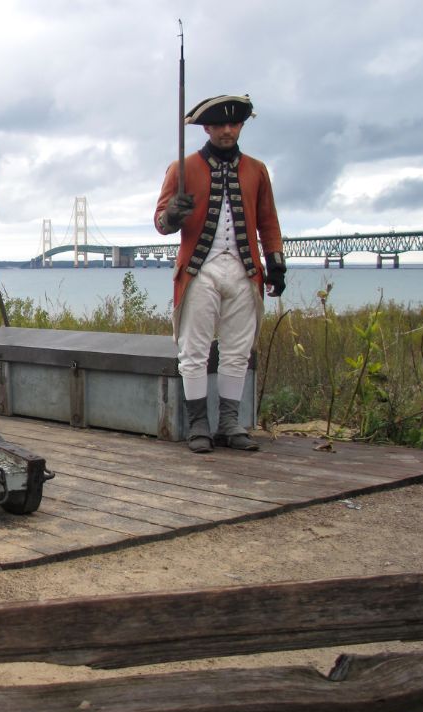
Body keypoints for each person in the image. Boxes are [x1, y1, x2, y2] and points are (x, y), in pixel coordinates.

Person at [154, 94, 286, 454]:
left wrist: (274, 262)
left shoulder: (257, 170)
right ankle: (199, 424)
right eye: (220, 125)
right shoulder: (181, 168)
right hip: (200, 269)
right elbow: (161, 222)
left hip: (244, 270)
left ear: (240, 126)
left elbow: (268, 220)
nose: (228, 130)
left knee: (238, 351)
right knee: (193, 350)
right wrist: (173, 216)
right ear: (207, 128)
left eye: (234, 124)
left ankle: (230, 422)